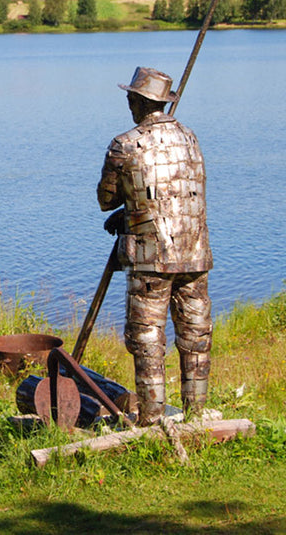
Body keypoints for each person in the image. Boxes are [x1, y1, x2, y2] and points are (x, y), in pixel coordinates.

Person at [97, 67, 213, 425]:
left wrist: (128, 209)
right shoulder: (190, 138)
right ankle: (195, 414)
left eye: (130, 97)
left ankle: (151, 419)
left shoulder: (125, 143)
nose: (128, 103)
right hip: (195, 254)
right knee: (195, 335)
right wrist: (134, 209)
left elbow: (106, 198)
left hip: (151, 259)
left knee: (147, 337)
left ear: (138, 101)